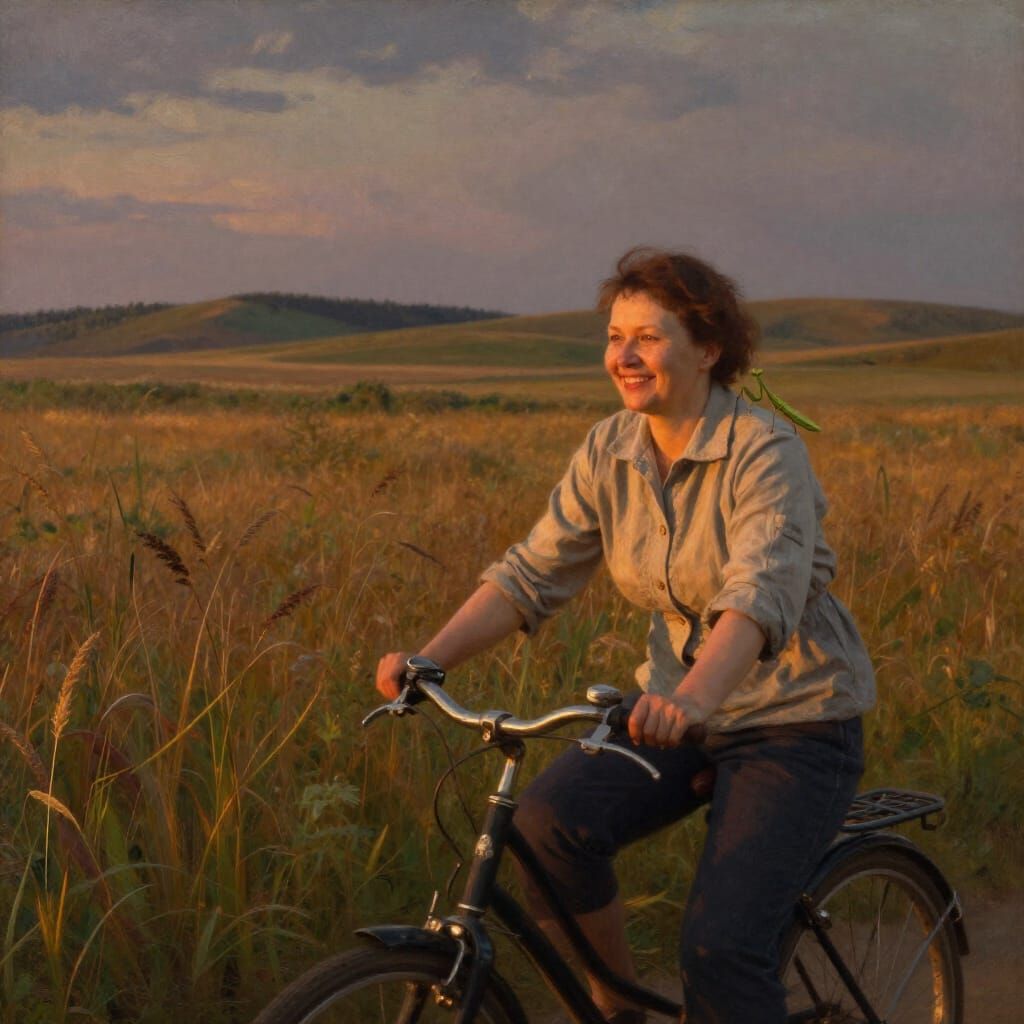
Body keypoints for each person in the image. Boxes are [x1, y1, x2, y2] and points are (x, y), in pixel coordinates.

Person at [376, 247, 876, 1024]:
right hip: (672, 712)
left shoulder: (765, 451)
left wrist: (694, 701)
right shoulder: (610, 448)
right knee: (546, 827)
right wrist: (428, 659)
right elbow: (531, 573)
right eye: (615, 337)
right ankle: (617, 1013)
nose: (624, 355)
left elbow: (759, 596)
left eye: (648, 336)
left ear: (707, 349)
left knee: (720, 952)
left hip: (795, 721)